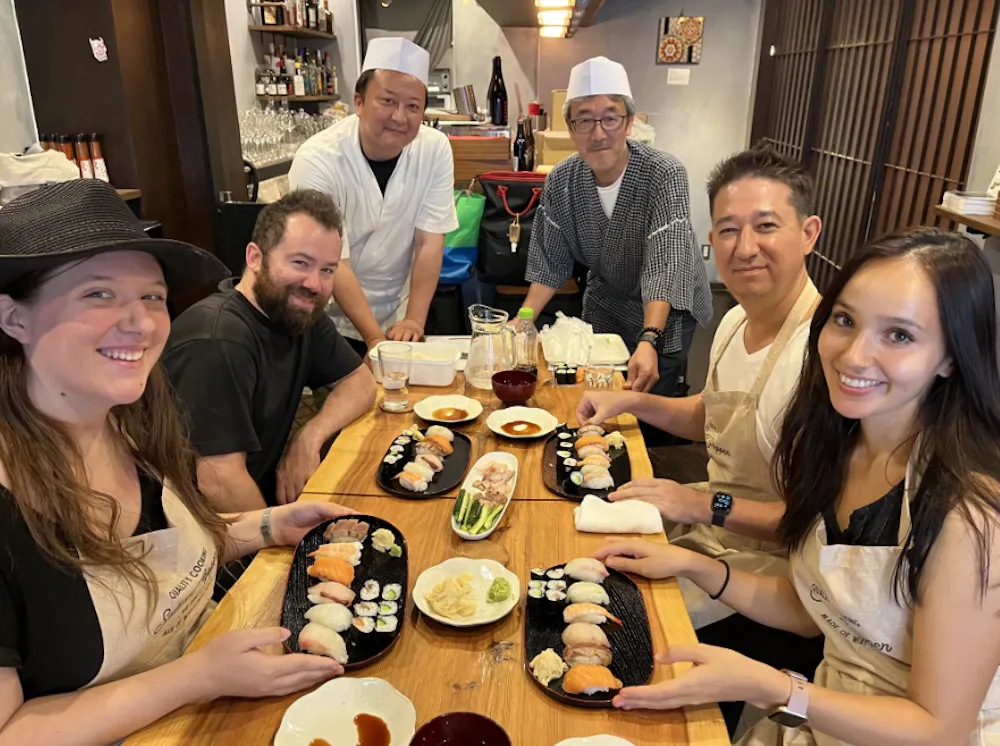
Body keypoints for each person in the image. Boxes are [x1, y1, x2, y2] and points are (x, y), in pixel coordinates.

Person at [596, 227, 1000, 745]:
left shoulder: (970, 516)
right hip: (827, 715)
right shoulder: (838, 443)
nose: (854, 356)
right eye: (845, 320)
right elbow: (812, 609)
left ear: (951, 356)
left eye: (899, 335)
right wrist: (692, 564)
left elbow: (938, 730)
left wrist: (773, 687)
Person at [0, 181, 355, 745]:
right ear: (13, 318)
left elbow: (170, 555)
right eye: (98, 293)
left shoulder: (132, 424)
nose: (141, 322)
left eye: (152, 296)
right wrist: (196, 677)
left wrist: (270, 524)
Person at [577, 147, 825, 732]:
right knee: (588, 559)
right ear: (709, 241)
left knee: (628, 639)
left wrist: (697, 503)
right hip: (712, 535)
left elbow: (813, 524)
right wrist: (631, 402)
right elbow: (710, 416)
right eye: (729, 230)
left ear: (809, 233)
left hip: (779, 579)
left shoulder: (822, 354)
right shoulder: (734, 320)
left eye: (766, 226)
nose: (746, 247)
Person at [163, 190, 376, 514]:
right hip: (195, 527)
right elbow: (218, 481)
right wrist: (276, 536)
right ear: (255, 257)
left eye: (327, 270)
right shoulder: (218, 340)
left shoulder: (298, 313)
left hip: (254, 501)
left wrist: (310, 436)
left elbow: (361, 383)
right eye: (300, 262)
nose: (314, 284)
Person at [522, 56, 712, 399]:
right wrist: (522, 321)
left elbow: (665, 265)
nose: (598, 134)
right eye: (584, 120)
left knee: (651, 402)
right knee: (597, 394)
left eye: (610, 118)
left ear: (629, 123)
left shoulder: (664, 174)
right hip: (608, 299)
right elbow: (548, 262)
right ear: (570, 128)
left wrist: (649, 338)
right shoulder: (561, 181)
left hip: (666, 308)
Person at [289, 37, 458, 355]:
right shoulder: (318, 158)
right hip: (327, 319)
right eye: (388, 101)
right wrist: (374, 340)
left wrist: (414, 321)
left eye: (413, 106)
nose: (400, 117)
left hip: (399, 316)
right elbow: (333, 261)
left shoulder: (434, 149)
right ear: (359, 102)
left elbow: (429, 242)